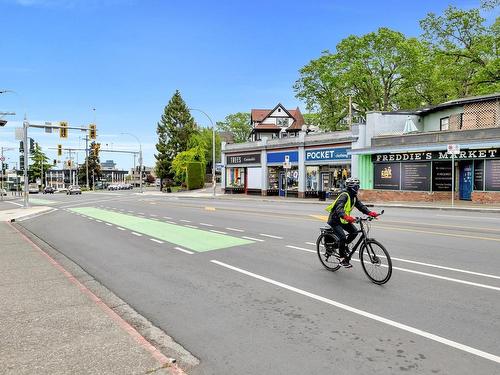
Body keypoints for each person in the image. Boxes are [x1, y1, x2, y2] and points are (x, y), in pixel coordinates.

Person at [325, 177, 378, 268]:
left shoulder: (353, 196)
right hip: (335, 219)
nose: (358, 188)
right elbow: (339, 208)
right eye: (357, 186)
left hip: (343, 219)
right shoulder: (344, 195)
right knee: (342, 237)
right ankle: (342, 259)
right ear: (351, 187)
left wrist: (369, 213)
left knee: (354, 232)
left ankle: (343, 246)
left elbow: (360, 206)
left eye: (358, 186)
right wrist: (346, 217)